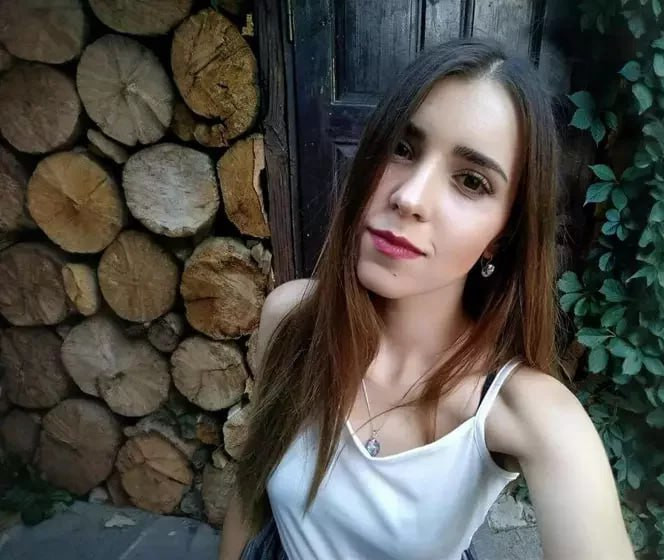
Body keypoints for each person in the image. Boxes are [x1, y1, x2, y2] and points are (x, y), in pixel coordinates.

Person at [219, 36, 635, 560]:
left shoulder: (524, 412)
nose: (409, 197)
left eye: (471, 181)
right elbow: (250, 493)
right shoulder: (292, 318)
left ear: (502, 236)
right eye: (402, 148)